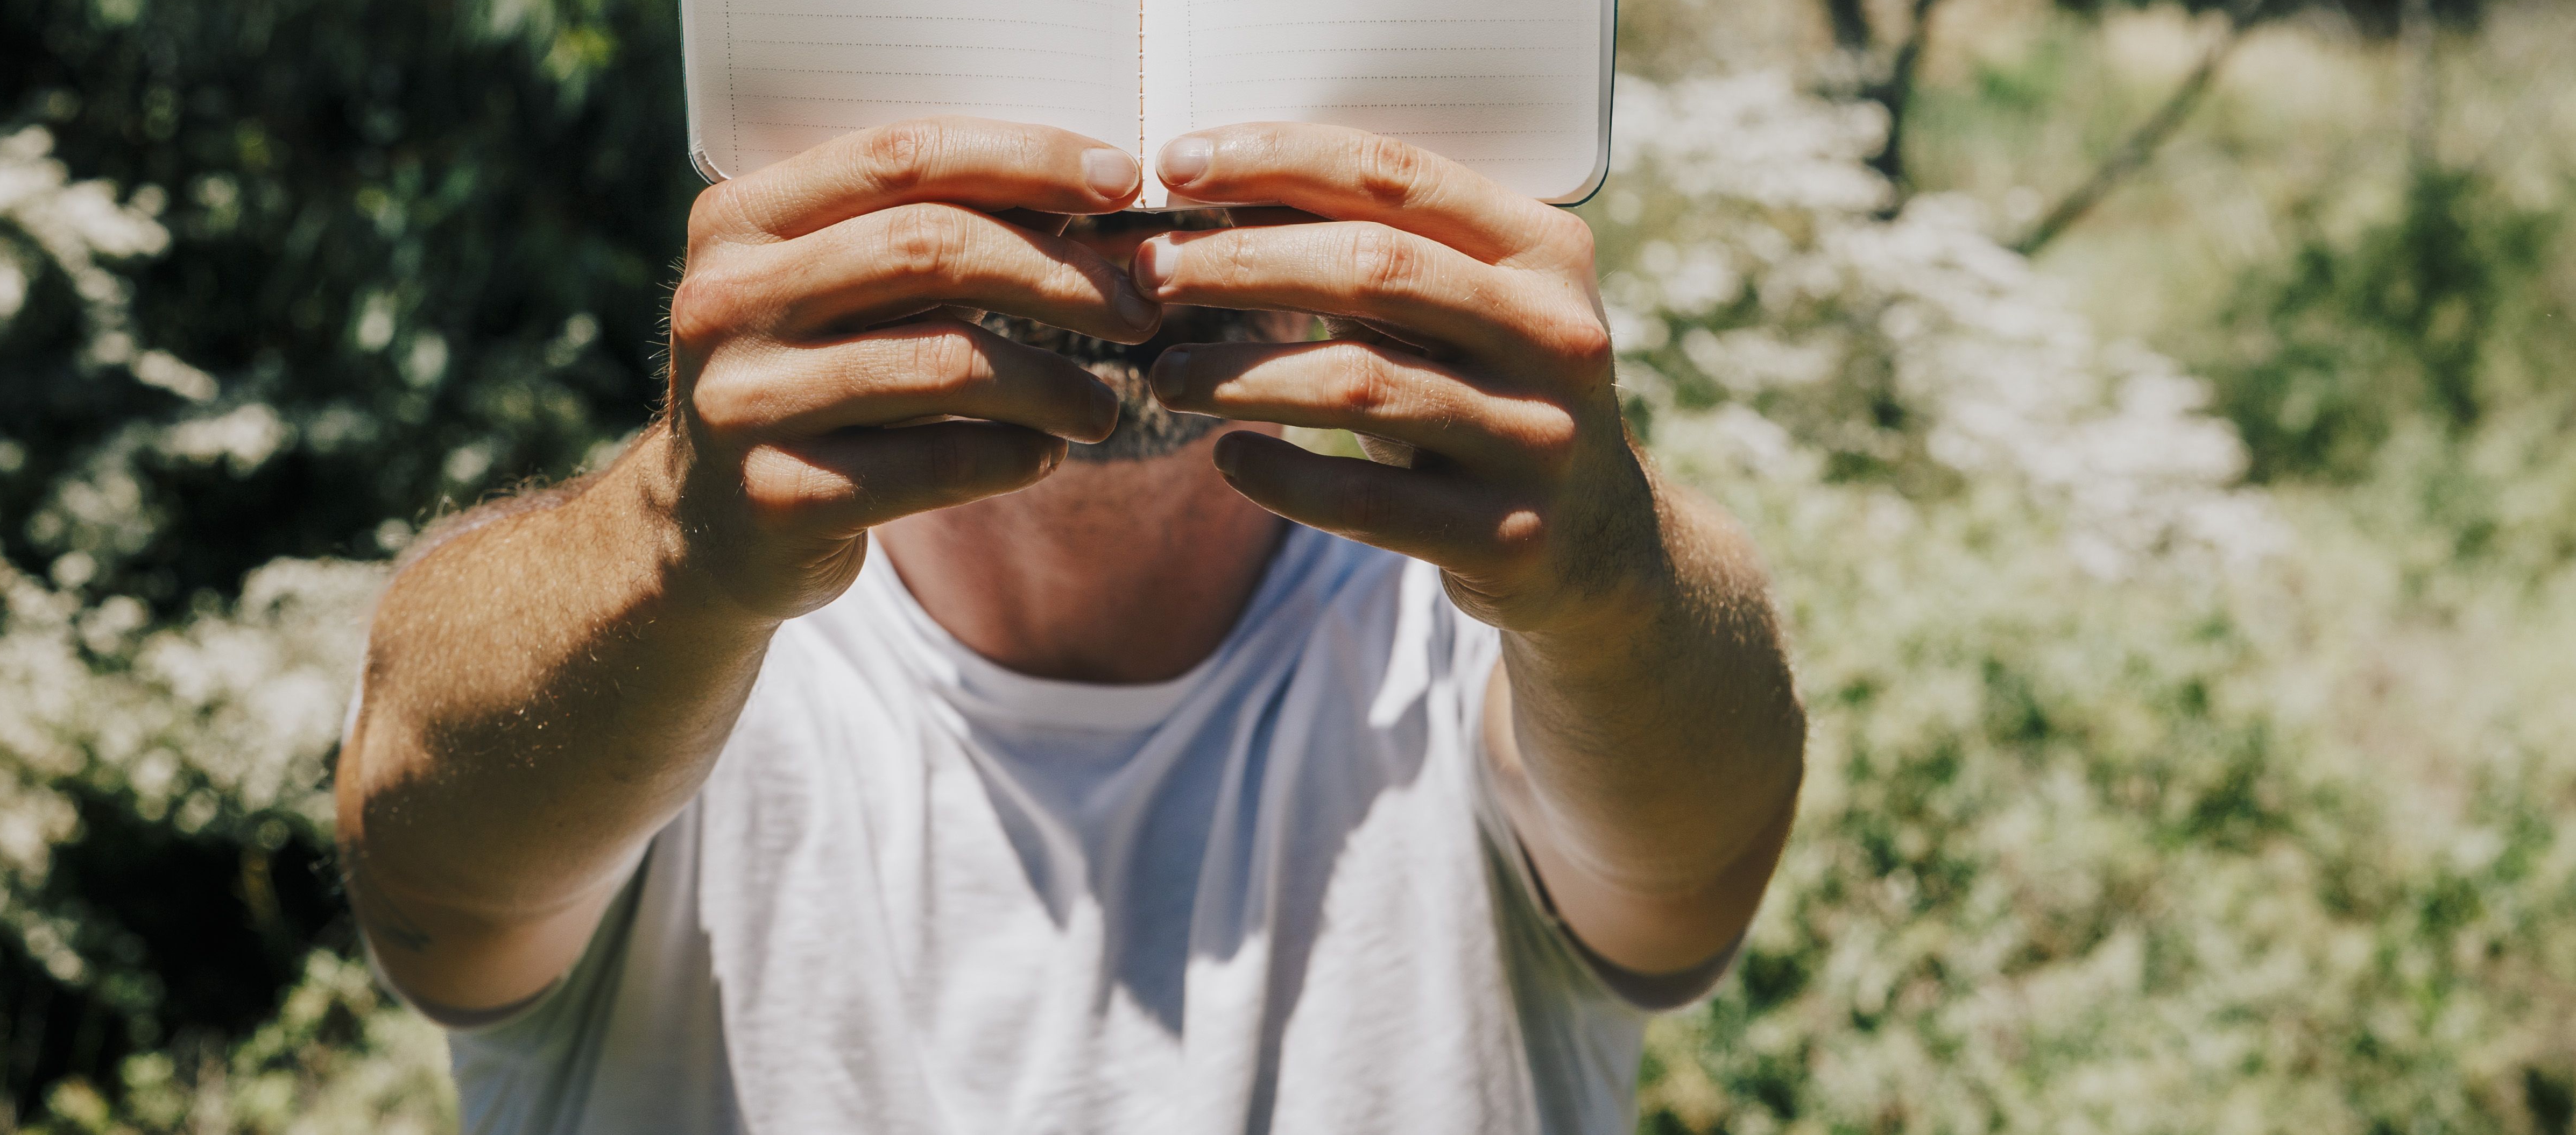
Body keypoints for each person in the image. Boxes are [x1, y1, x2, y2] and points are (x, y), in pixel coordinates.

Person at [336, 118, 1805, 1133]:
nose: (1132, 180)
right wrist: (672, 537)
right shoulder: (669, 638)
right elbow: (424, 853)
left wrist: (1606, 569)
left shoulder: (1487, 637)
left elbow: (1703, 849)